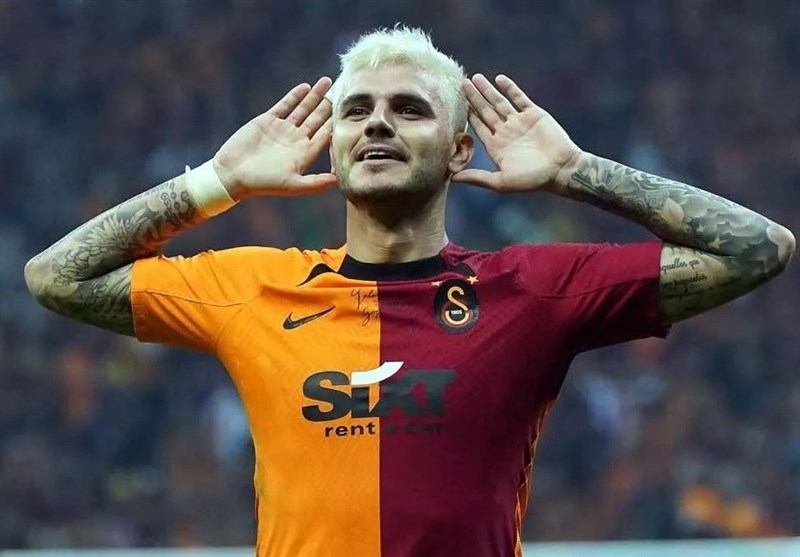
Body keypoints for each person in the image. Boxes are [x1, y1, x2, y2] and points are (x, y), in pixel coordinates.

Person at [24, 26, 794, 557]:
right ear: (332, 145)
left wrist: (575, 171)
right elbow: (55, 277)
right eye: (356, 110)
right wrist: (216, 182)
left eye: (409, 109)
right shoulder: (253, 286)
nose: (377, 124)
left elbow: (757, 249)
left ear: (460, 150)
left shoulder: (530, 290)